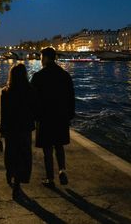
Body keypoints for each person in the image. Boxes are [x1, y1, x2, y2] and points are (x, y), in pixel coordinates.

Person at [31, 47, 75, 188]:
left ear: (46, 58)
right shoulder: (65, 75)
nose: (40, 59)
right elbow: (71, 97)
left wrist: (34, 116)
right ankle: (62, 170)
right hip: (61, 117)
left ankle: (50, 179)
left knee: (47, 150)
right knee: (59, 146)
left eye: (41, 57)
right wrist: (69, 115)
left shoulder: (38, 76)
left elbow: (32, 98)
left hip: (45, 118)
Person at [0, 63, 36, 199]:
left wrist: (2, 129)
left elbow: (3, 113)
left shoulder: (6, 92)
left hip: (11, 127)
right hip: (25, 127)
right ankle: (18, 183)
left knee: (11, 152)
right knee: (23, 154)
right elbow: (34, 110)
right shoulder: (31, 90)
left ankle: (9, 172)